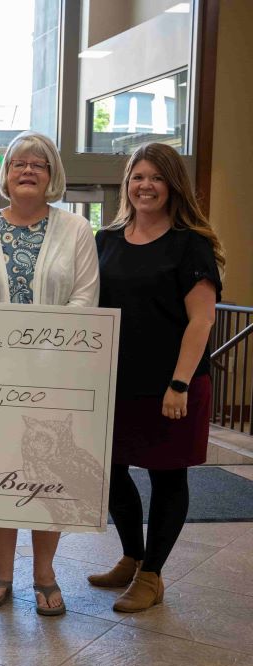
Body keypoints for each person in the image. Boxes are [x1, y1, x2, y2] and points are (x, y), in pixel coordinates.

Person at [0, 131, 98, 616]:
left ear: (53, 174)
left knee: (47, 475)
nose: (28, 170)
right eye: (19, 163)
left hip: (55, 377)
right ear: (6, 173)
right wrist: (4, 349)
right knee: (0, 473)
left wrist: (41, 347)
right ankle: (1, 569)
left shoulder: (77, 230)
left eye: (39, 163)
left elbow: (84, 300)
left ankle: (45, 571)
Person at [87, 142, 223, 613]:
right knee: (109, 472)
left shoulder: (190, 244)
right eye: (138, 176)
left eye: (157, 178)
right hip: (116, 383)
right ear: (127, 183)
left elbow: (201, 320)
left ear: (172, 186)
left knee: (168, 477)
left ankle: (152, 575)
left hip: (173, 386)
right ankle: (131, 555)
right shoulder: (105, 240)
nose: (146, 186)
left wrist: (179, 383)